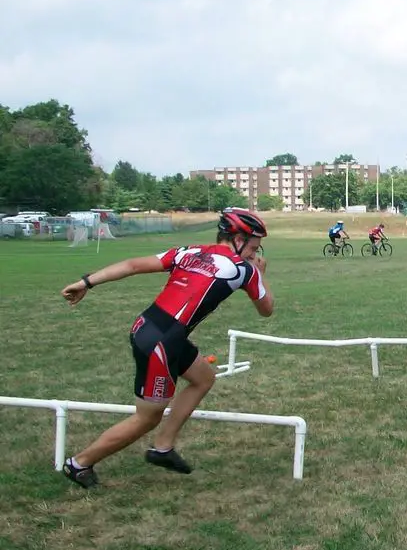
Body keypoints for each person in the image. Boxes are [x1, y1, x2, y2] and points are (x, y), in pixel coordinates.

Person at [59, 209, 274, 488]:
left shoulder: (190, 251)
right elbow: (267, 309)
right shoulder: (244, 270)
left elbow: (134, 265)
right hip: (162, 344)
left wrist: (86, 282)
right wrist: (260, 274)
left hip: (147, 326)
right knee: (146, 418)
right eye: (253, 248)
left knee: (204, 377)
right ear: (238, 239)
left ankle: (163, 447)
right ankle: (79, 464)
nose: (253, 254)